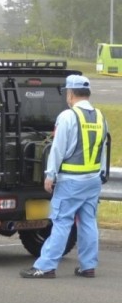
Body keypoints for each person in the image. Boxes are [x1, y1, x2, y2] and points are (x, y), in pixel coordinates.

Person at [20, 74, 108, 279]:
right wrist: (101, 173)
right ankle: (88, 266)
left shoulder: (68, 117)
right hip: (92, 180)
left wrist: (50, 175)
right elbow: (104, 147)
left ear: (70, 94)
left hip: (70, 181)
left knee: (61, 222)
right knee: (88, 223)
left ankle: (46, 266)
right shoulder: (100, 116)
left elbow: (57, 149)